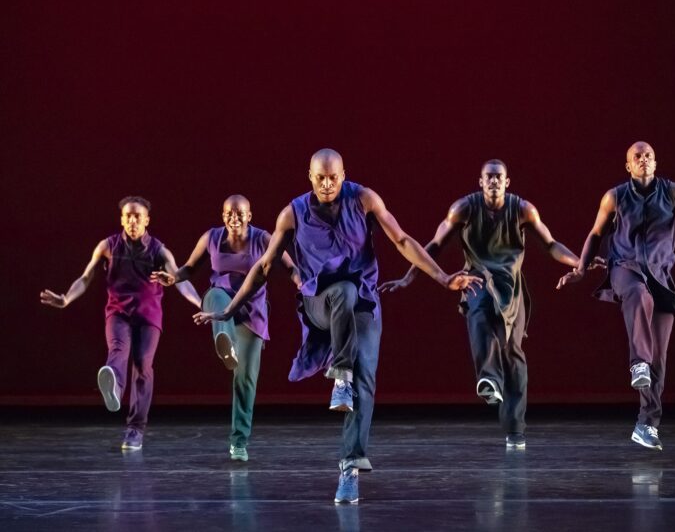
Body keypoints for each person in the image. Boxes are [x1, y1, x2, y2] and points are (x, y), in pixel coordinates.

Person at [193, 148, 481, 504]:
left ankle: (349, 467)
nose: (327, 184)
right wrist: (228, 310)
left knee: (366, 378)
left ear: (343, 176)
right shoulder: (292, 213)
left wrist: (443, 278)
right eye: (320, 178)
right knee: (342, 290)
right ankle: (340, 374)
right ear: (310, 177)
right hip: (320, 303)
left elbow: (402, 240)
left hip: (363, 304)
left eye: (333, 177)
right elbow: (264, 266)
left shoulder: (364, 200)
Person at [379, 159, 597, 449]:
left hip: (511, 285)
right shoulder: (463, 209)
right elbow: (434, 245)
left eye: (498, 177)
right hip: (476, 278)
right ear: (480, 182)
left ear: (507, 182)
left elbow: (550, 244)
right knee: (480, 313)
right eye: (489, 177)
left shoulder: (523, 210)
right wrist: (408, 277)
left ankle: (515, 429)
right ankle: (489, 379)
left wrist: (579, 263)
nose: (494, 181)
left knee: (513, 353)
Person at [557, 141, 675, 450]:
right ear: (628, 166)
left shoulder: (674, 192)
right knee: (638, 295)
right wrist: (580, 269)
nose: (643, 159)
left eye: (648, 156)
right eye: (637, 156)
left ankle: (646, 424)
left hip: (661, 277)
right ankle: (638, 363)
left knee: (658, 357)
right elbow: (596, 233)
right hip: (625, 269)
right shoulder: (615, 196)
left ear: (655, 163)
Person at [40, 196, 201, 451]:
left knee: (143, 364)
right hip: (118, 313)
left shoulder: (159, 251)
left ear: (147, 221)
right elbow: (86, 277)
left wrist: (201, 303)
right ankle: (114, 385)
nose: (132, 221)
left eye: (138, 217)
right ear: (122, 219)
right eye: (128, 216)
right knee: (118, 349)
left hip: (149, 317)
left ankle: (135, 429)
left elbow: (180, 280)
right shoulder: (108, 246)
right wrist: (66, 298)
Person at [151, 194, 299, 462]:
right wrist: (173, 278)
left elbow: (289, 266)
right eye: (229, 213)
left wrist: (301, 282)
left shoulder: (263, 239)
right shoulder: (211, 238)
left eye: (240, 213)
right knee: (217, 297)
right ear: (223, 216)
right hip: (219, 300)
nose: (234, 218)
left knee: (246, 380)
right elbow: (189, 268)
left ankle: (239, 442)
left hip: (252, 310)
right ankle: (226, 344)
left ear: (249, 216)